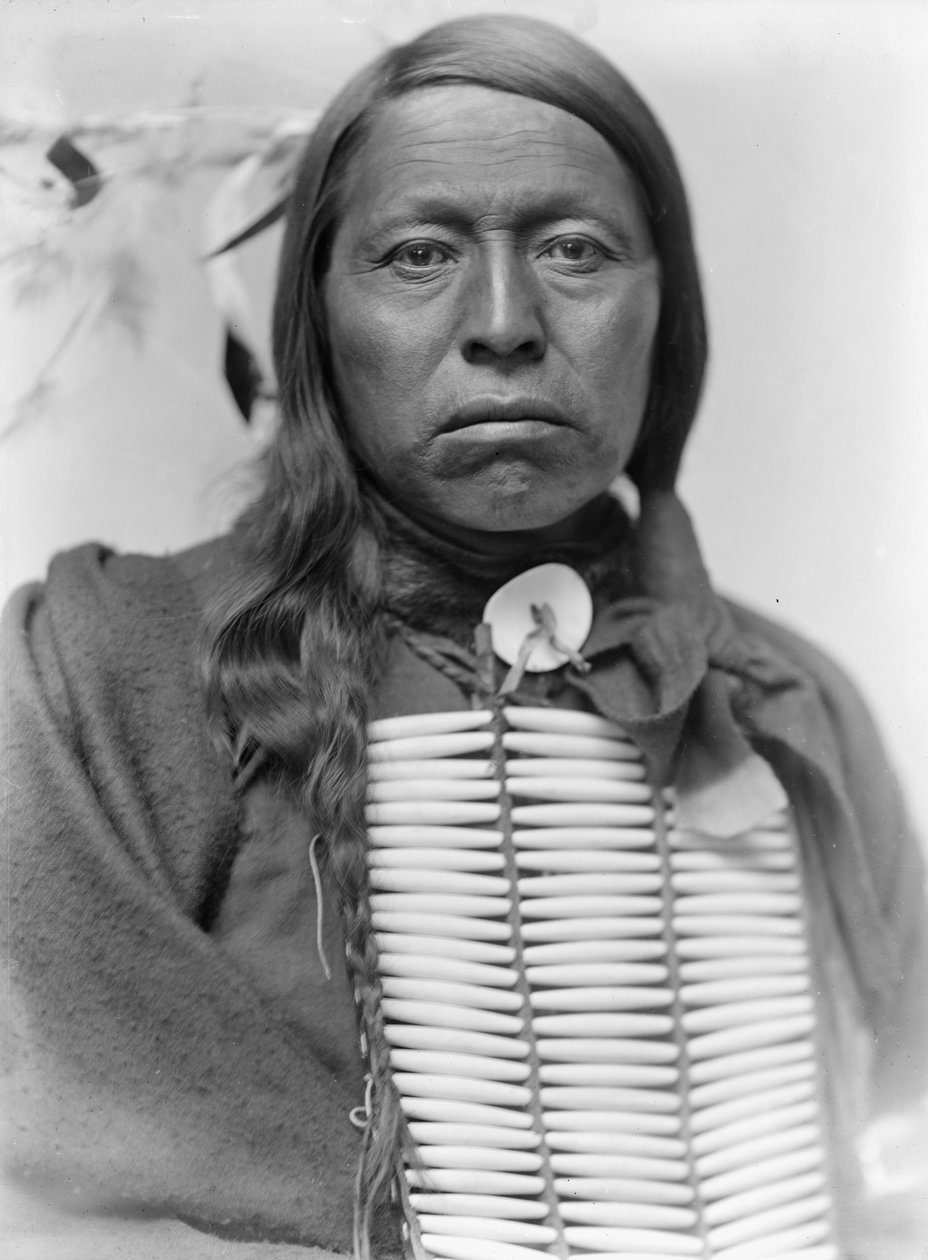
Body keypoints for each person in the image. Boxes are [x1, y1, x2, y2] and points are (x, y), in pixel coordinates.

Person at [2, 14, 925, 1260]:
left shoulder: (789, 710)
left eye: (578, 250)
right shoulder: (105, 678)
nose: (504, 320)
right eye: (420, 254)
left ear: (672, 314)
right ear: (319, 324)